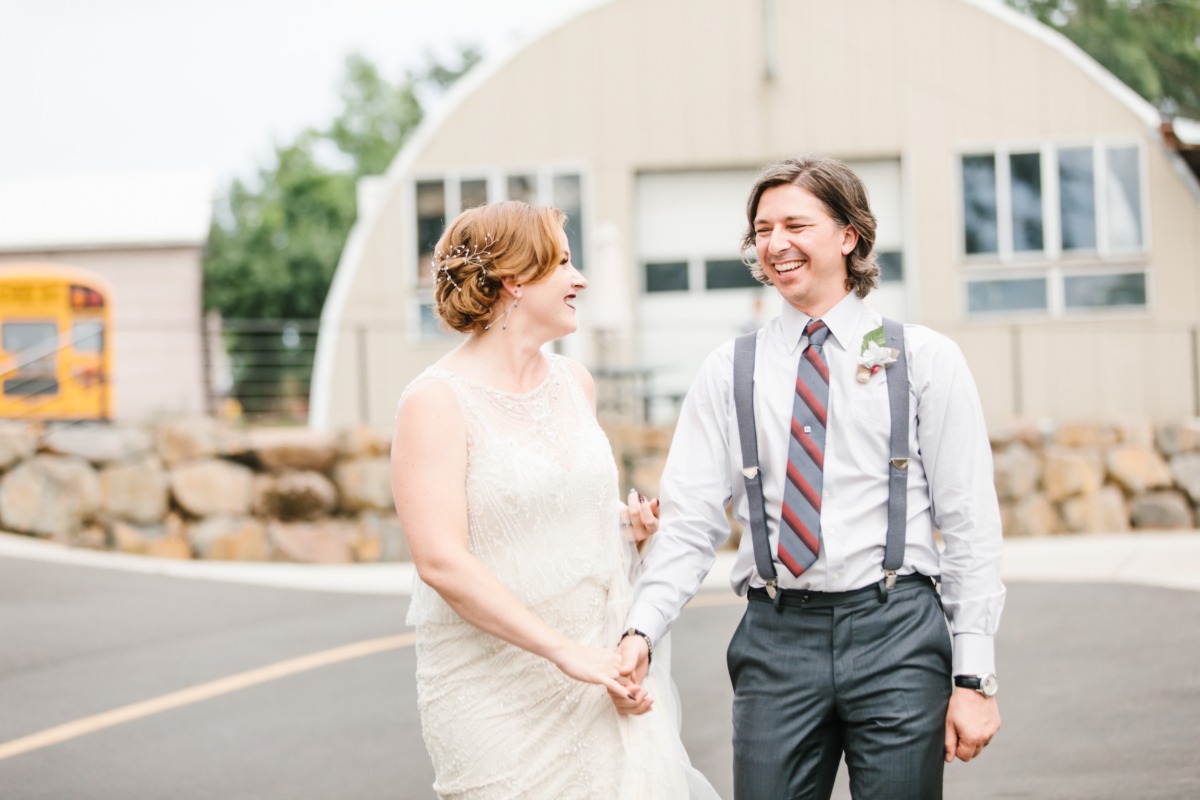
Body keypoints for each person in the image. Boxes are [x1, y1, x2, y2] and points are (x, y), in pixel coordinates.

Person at [615, 156, 1005, 799]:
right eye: (762, 229)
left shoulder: (927, 359)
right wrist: (641, 630)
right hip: (776, 637)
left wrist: (974, 678)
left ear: (849, 235)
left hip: (899, 631)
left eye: (795, 224)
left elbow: (969, 525)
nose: (775, 244)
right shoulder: (728, 370)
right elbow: (689, 525)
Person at [391, 200, 717, 800]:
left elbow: (554, 513)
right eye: (564, 263)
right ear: (514, 280)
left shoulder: (575, 382)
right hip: (493, 693)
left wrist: (627, 529)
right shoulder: (434, 401)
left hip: (595, 671)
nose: (581, 279)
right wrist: (565, 654)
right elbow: (440, 560)